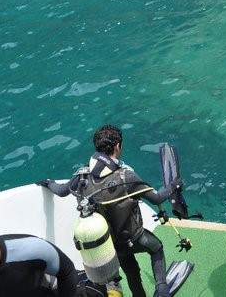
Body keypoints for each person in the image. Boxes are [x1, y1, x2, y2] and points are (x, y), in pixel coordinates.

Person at [38, 124, 179, 297]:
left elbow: (61, 191)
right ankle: (162, 289)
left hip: (109, 243)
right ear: (117, 146)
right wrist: (174, 185)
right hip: (134, 237)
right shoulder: (125, 176)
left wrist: (48, 183)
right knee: (156, 248)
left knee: (132, 273)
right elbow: (157, 198)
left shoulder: (82, 175)